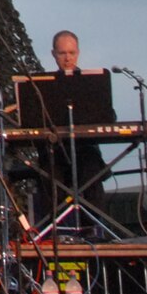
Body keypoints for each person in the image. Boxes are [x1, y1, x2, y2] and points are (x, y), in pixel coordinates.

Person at [38, 30, 109, 222]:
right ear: (54, 54)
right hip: (56, 151)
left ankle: (95, 229)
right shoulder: (43, 86)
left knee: (92, 169)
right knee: (49, 172)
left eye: (71, 53)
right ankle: (54, 231)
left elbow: (108, 117)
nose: (67, 58)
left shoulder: (92, 83)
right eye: (62, 53)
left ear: (78, 53)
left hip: (85, 150)